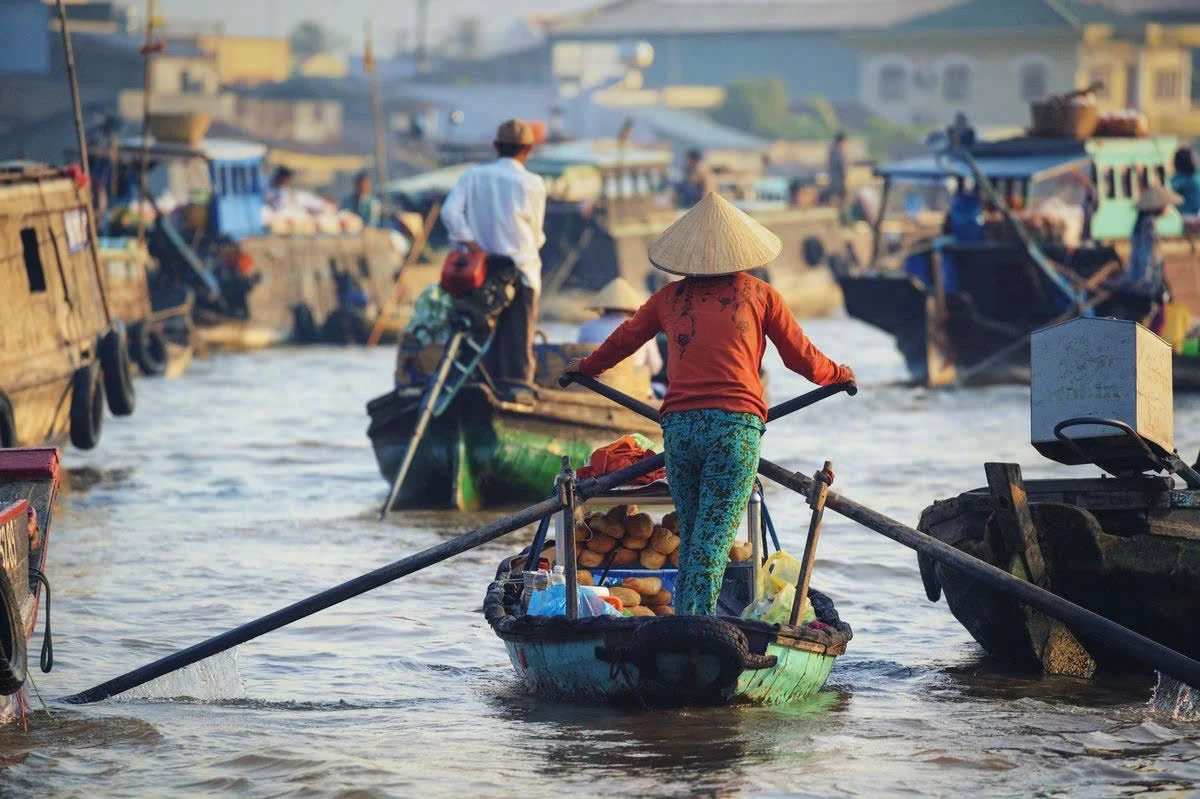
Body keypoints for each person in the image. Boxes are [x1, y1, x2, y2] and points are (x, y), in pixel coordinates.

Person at [564, 193, 855, 616]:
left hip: (680, 430)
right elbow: (802, 360)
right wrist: (839, 373)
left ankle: (687, 621)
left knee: (696, 533)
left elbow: (623, 340)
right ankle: (692, 626)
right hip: (734, 431)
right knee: (713, 541)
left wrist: (584, 367)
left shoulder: (669, 298)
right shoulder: (761, 295)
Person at [441, 119, 547, 400]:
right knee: (517, 344)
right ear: (528, 149)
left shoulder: (473, 176)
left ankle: (477, 390)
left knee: (480, 338)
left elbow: (450, 213)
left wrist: (472, 243)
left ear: (496, 146)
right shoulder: (533, 184)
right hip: (521, 272)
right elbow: (536, 237)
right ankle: (517, 394)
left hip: (481, 273)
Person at [577, 278, 663, 381]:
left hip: (593, 384)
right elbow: (655, 367)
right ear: (633, 309)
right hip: (631, 387)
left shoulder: (588, 326)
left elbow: (578, 356)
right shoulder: (642, 327)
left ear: (604, 307)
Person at [1172, 147, 1200, 216]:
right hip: (1189, 217)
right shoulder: (1191, 180)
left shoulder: (1174, 179)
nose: (1197, 159)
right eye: (1194, 157)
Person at [826, 132, 847, 214]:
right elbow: (842, 168)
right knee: (839, 203)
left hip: (834, 182)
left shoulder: (832, 152)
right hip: (838, 183)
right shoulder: (837, 153)